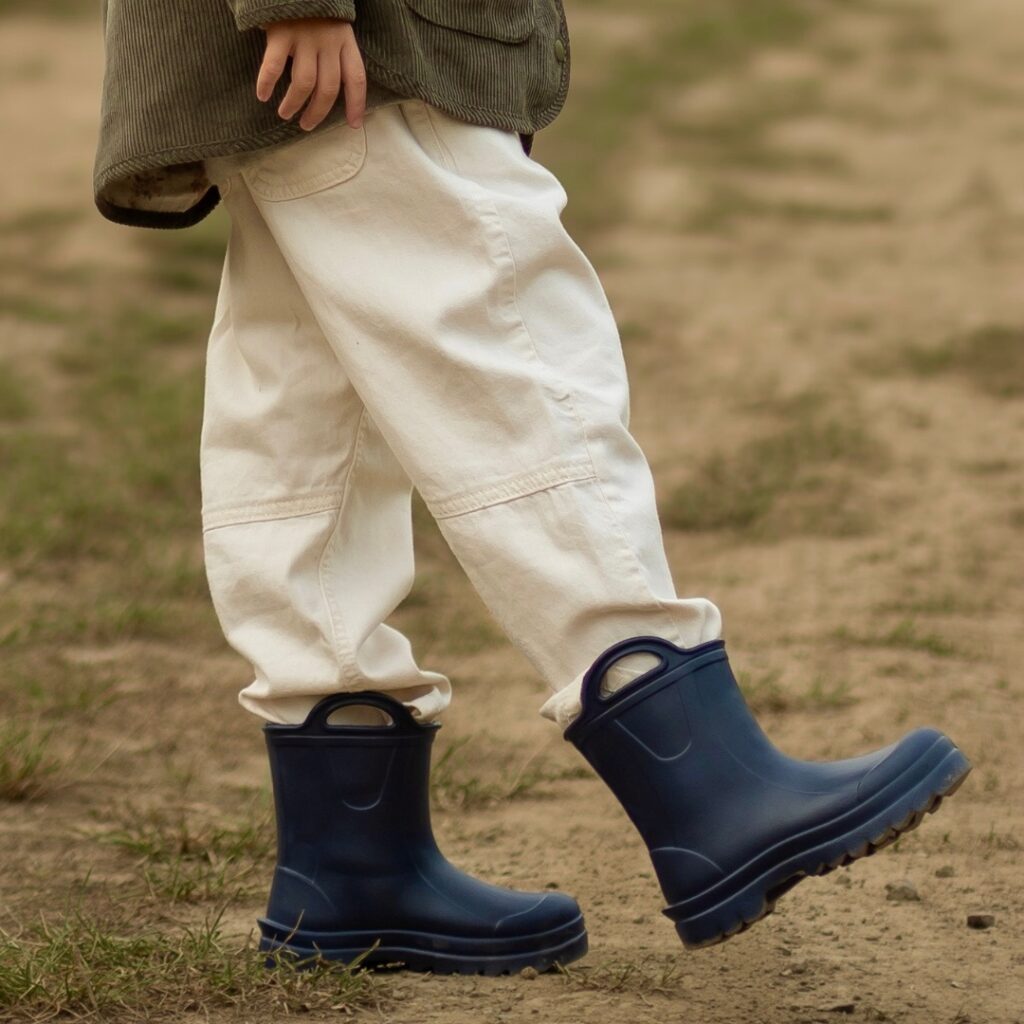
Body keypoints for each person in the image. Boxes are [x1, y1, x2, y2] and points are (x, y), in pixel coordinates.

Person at [92, 1, 972, 976]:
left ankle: (350, 865)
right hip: (371, 36)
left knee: (312, 408)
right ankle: (705, 783)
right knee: (508, 338)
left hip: (307, 48)